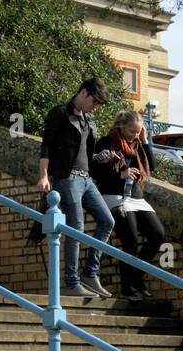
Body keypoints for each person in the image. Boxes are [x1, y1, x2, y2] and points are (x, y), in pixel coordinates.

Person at [36, 74, 115, 298]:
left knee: (107, 221)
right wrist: (44, 176)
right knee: (76, 227)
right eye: (94, 102)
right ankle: (71, 283)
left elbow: (84, 154)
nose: (95, 107)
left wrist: (101, 157)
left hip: (86, 179)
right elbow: (46, 147)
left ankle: (90, 273)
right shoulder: (60, 113)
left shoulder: (88, 119)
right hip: (67, 178)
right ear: (83, 93)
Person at [91, 110, 165, 301]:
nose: (134, 135)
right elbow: (95, 171)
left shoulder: (138, 144)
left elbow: (152, 167)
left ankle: (137, 277)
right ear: (121, 127)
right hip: (114, 195)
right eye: (131, 131)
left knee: (158, 235)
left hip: (136, 196)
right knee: (130, 240)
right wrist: (120, 174)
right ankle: (126, 288)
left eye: (137, 132)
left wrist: (145, 141)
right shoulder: (107, 143)